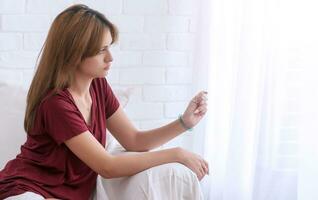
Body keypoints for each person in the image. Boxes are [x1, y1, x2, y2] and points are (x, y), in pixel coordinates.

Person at [0, 4, 209, 200]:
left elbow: (134, 140)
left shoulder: (98, 86)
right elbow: (106, 166)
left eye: (109, 47)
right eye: (101, 51)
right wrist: (177, 154)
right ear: (74, 54)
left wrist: (184, 123)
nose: (110, 58)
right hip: (30, 189)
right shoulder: (56, 105)